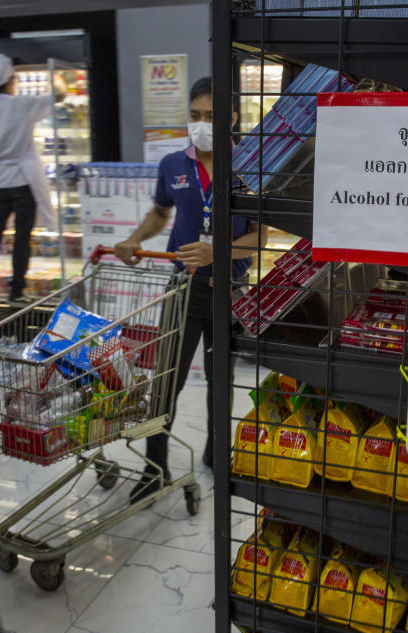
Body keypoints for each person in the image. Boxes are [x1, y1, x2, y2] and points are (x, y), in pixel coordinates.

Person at [115, 76, 267, 502]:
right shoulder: (173, 165)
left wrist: (217, 251)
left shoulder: (250, 167)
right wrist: (134, 240)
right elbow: (160, 213)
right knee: (166, 381)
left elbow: (260, 237)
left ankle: (218, 456)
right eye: (195, 116)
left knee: (221, 381)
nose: (201, 124)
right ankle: (154, 468)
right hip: (183, 290)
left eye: (212, 116)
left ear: (232, 118)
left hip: (231, 291)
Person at [0, 53, 62, 307]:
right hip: (23, 180)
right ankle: (16, 291)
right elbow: (59, 95)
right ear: (11, 79)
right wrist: (55, 72)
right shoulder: (22, 105)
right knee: (22, 236)